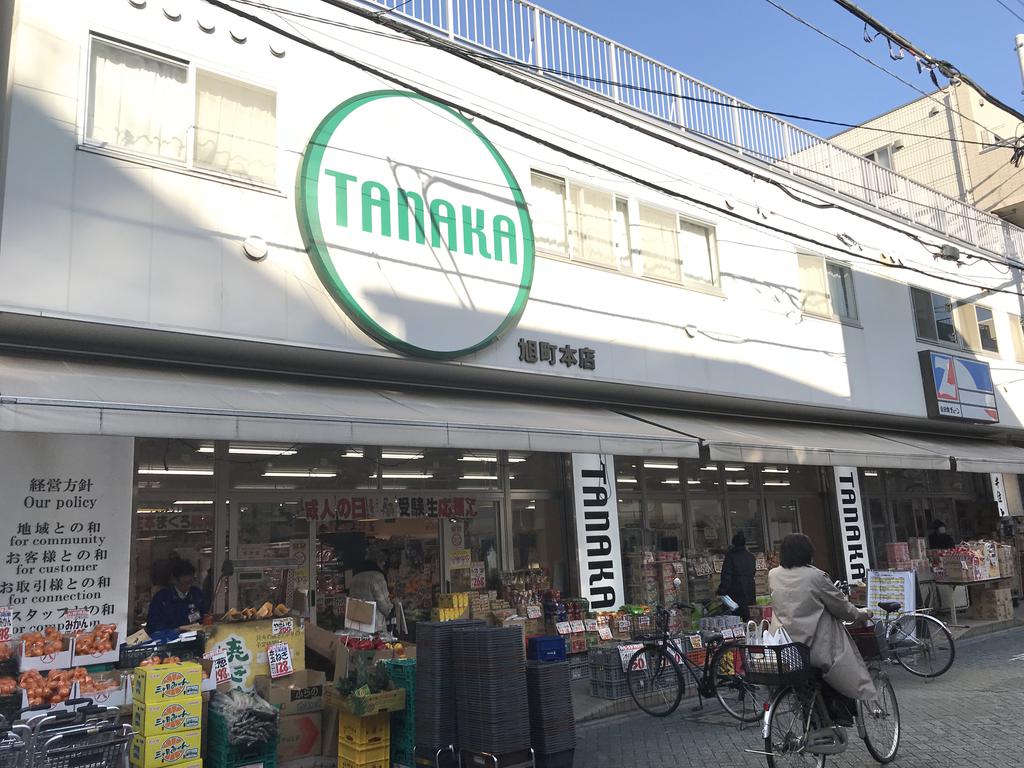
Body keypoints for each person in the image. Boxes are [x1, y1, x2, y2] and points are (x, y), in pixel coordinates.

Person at [768, 533, 875, 726]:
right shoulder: (816, 576)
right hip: (814, 648)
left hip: (787, 647)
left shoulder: (773, 575)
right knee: (843, 667)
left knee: (808, 686)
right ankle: (841, 713)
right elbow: (843, 609)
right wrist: (863, 613)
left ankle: (816, 724)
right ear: (808, 553)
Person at [147, 560, 208, 632]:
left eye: (191, 582)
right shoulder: (161, 598)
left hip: (194, 635)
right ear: (174, 580)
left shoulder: (197, 595)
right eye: (184, 583)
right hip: (169, 637)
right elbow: (153, 624)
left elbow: (204, 617)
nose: (188, 586)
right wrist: (174, 631)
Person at [717, 532, 756, 620]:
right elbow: (753, 572)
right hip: (750, 589)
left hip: (735, 591)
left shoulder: (730, 557)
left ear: (733, 543)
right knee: (749, 616)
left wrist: (722, 590)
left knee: (735, 618)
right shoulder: (751, 557)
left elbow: (726, 575)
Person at [349, 559, 393, 630]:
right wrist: (392, 610)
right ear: (378, 563)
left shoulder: (355, 578)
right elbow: (384, 606)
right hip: (374, 626)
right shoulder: (377, 577)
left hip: (356, 624)